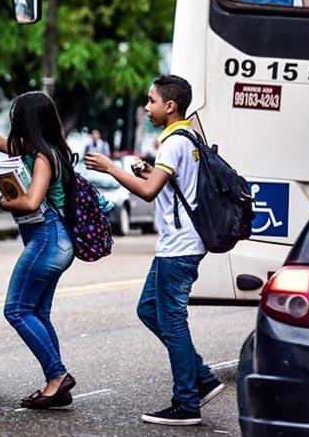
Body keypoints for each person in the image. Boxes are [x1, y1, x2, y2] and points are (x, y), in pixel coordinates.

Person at [85, 75, 224, 426]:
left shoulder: (174, 141)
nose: (147, 108)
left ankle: (187, 403)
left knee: (173, 322)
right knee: (149, 309)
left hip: (179, 247)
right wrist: (148, 171)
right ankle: (203, 378)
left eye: (151, 101)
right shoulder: (186, 137)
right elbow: (166, 186)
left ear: (170, 106)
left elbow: (147, 193)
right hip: (178, 245)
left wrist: (111, 168)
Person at [0, 92, 77, 410]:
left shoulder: (44, 158)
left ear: (27, 121)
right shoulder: (35, 150)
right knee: (39, 314)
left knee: (15, 310)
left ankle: (57, 376)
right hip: (53, 241)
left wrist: (4, 201)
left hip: (47, 239)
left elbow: (30, 202)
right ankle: (56, 384)